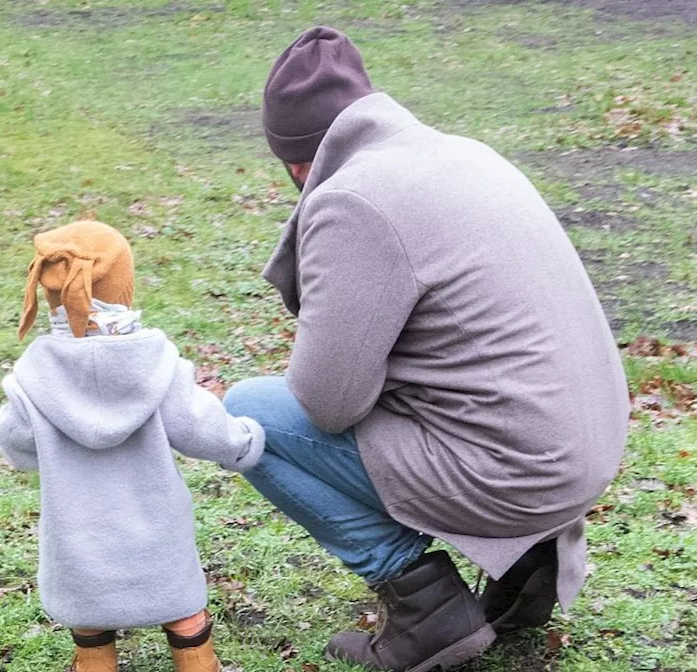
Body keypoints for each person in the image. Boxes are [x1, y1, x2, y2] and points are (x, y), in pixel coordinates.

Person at [223, 27, 630, 671]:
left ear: (298, 161)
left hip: (520, 470)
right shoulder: (463, 153)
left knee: (248, 416)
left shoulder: (354, 198)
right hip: (582, 449)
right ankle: (528, 564)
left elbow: (327, 402)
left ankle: (426, 608)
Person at [0, 221, 265, 672]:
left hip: (78, 538)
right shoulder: (157, 365)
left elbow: (17, 448)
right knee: (183, 612)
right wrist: (243, 443)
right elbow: (201, 427)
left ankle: (95, 663)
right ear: (124, 287)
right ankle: (198, 663)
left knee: (89, 615)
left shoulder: (33, 379)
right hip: (157, 533)